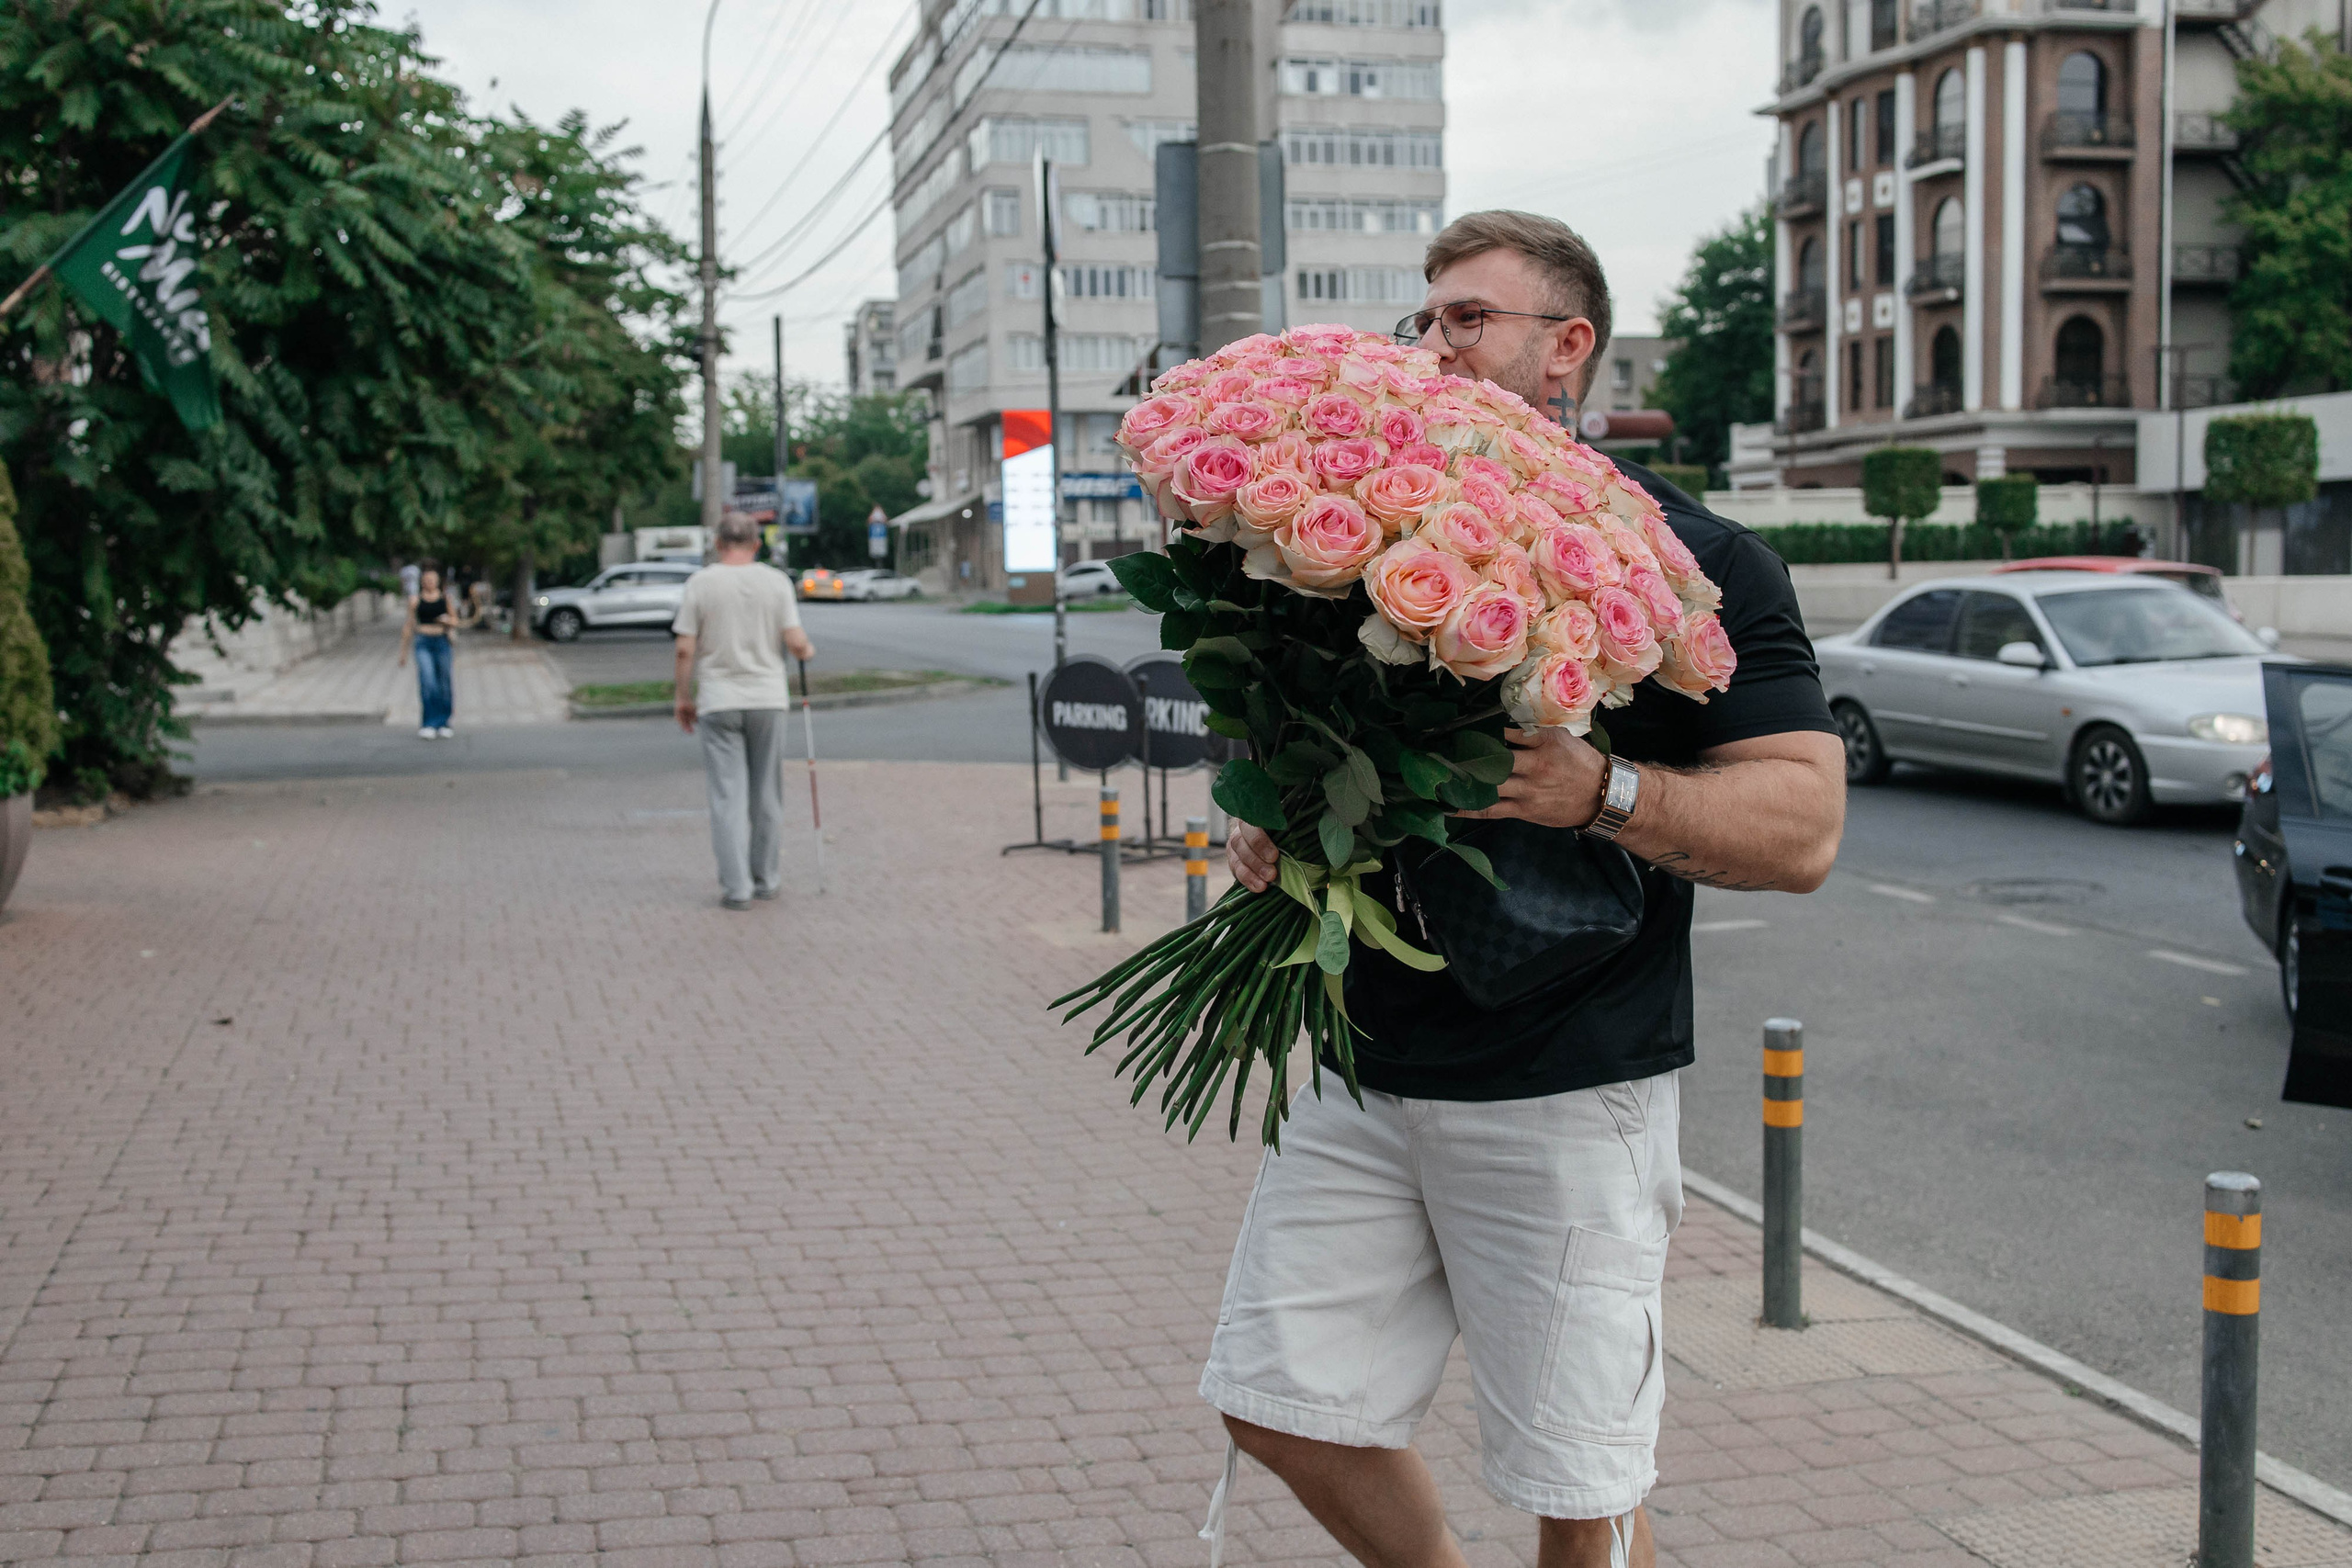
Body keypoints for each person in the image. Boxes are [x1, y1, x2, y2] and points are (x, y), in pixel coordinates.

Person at [1205, 210, 1849, 1568]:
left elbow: (1803, 827)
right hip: (1361, 1056)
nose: (1432, 344)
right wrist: (1269, 822)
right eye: (1424, 317)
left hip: (1565, 1072)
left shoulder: (1699, 561)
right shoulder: (1351, 535)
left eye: (1468, 318)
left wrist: (1602, 791)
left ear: (1567, 347)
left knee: (1580, 1479)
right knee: (1279, 1403)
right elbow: (1295, 742)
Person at [672, 511, 816, 909]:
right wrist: (806, 650)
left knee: (727, 796)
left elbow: (684, 648)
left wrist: (683, 697)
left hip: (718, 699)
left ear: (718, 544)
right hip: (767, 699)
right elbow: (795, 642)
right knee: (766, 793)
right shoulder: (776, 582)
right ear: (756, 544)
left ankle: (737, 888)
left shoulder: (701, 583)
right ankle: (766, 878)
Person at [396, 567, 459, 739]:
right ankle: (429, 722)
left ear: (437, 582)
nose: (429, 583)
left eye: (432, 580)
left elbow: (455, 620)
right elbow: (409, 625)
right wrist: (403, 652)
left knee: (444, 682)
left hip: (442, 641)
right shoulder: (415, 600)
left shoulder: (445, 599)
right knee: (428, 681)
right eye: (427, 580)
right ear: (422, 582)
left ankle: (444, 722)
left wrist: (448, 620)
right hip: (423, 642)